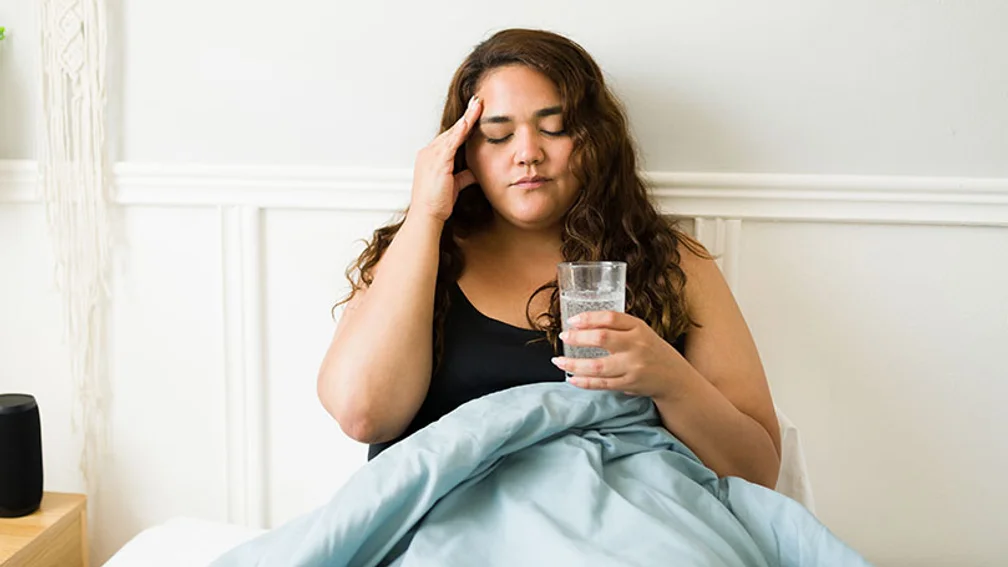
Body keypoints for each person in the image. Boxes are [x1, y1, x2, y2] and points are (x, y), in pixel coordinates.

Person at [317, 28, 782, 488]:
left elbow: (758, 470)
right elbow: (364, 417)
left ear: (595, 139)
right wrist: (426, 212)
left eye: (553, 128)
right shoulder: (416, 254)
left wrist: (670, 379)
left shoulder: (672, 262)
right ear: (463, 153)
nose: (527, 155)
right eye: (497, 135)